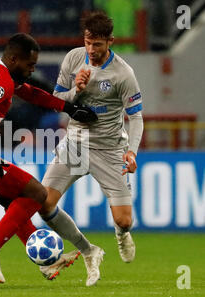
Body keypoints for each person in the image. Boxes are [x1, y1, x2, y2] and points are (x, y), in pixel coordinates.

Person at [0, 33, 98, 284]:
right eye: (30, 64)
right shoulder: (0, 82)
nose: (32, 69)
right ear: (14, 59)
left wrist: (68, 108)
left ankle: (47, 262)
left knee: (15, 201)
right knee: (37, 193)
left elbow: (32, 94)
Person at [38, 10, 144, 282]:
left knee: (124, 220)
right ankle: (88, 251)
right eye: (88, 42)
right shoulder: (73, 58)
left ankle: (122, 236)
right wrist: (76, 91)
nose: (91, 49)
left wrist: (131, 151)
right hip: (75, 143)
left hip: (109, 149)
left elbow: (136, 117)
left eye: (97, 43)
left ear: (110, 41)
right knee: (44, 204)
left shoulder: (123, 73)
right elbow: (57, 99)